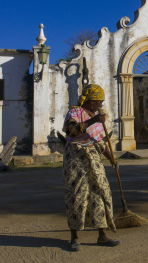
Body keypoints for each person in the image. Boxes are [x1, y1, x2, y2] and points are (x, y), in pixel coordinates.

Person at [62, 83, 120, 252]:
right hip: (76, 157)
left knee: (101, 192)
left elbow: (100, 142)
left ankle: (102, 235)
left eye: (101, 101)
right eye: (97, 101)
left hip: (94, 157)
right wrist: (93, 120)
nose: (101, 105)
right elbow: (70, 131)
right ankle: (74, 237)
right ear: (88, 101)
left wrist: (112, 159)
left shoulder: (98, 117)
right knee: (76, 194)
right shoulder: (75, 112)